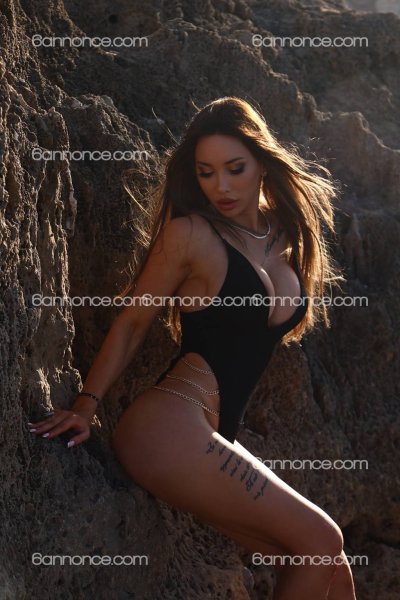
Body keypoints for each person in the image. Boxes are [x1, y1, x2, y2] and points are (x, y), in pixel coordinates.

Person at [28, 97, 356, 599]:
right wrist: (86, 407)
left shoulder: (285, 234)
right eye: (206, 173)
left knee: (331, 567)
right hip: (168, 425)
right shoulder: (190, 234)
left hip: (211, 436)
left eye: (234, 169)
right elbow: (133, 323)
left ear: (262, 163)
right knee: (322, 540)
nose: (220, 186)